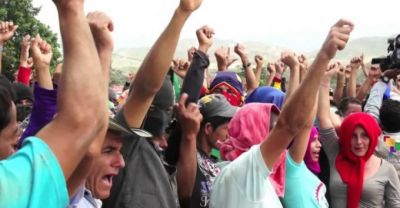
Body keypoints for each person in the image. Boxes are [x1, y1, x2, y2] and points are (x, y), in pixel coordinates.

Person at [209, 19, 355, 208]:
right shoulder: (242, 172)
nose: (281, 140)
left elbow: (302, 125)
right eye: (271, 129)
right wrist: (323, 57)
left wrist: (309, 74)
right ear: (251, 134)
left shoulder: (258, 176)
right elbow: (289, 125)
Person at [0, 0, 109, 206]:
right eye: (14, 130)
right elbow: (86, 127)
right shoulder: (14, 190)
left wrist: (40, 68)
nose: (20, 134)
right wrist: (71, 9)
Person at [102, 0, 204, 207]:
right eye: (162, 109)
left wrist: (189, 136)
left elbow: (184, 194)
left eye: (170, 110)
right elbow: (145, 89)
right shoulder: (126, 143)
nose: (167, 116)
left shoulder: (159, 151)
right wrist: (181, 14)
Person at [318, 67, 400, 207]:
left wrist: (382, 81)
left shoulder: (386, 160)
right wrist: (324, 82)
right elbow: (323, 118)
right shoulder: (390, 144)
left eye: (365, 136)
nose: (359, 142)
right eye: (353, 136)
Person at [177, 94, 237, 208]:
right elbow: (184, 194)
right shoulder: (187, 159)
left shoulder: (215, 158)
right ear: (208, 128)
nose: (230, 135)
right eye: (227, 128)